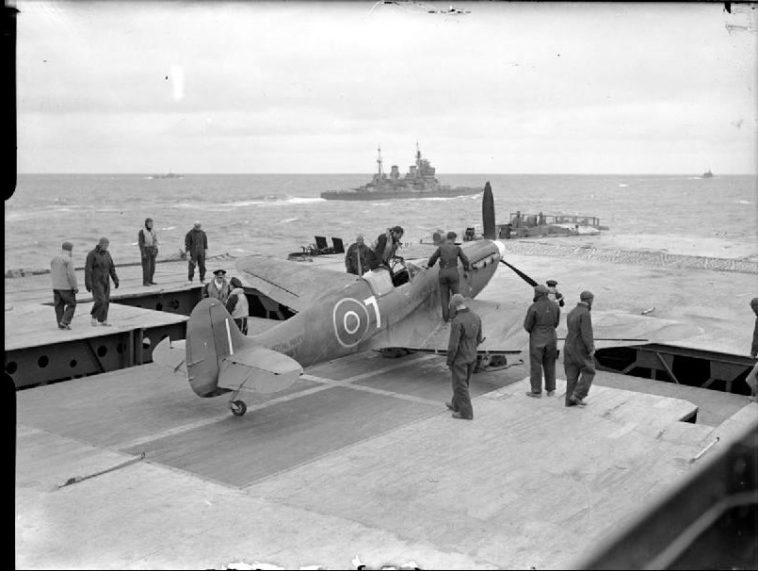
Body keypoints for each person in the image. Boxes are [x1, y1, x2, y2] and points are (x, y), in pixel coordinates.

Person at [445, 293, 483, 420]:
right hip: (472, 356)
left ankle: (466, 413)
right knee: (463, 382)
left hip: (460, 359)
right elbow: (478, 338)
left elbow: (453, 346)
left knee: (460, 385)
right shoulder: (476, 317)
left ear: (454, 305)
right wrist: (471, 349)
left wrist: (450, 361)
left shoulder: (457, 321)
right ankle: (456, 404)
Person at [524, 284, 560, 398]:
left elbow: (527, 325)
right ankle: (551, 390)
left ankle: (536, 391)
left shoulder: (533, 307)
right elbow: (556, 323)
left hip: (537, 337)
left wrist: (535, 331)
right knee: (550, 363)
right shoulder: (555, 306)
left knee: (536, 364)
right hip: (551, 336)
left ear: (537, 294)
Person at [427, 231, 471, 321]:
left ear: (447, 238)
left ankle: (445, 318)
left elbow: (433, 258)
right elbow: (465, 260)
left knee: (444, 296)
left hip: (442, 274)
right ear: (454, 238)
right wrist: (466, 270)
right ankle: (453, 316)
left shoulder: (441, 248)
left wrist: (429, 265)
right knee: (456, 296)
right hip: (453, 273)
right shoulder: (457, 248)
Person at [564, 290, 596, 407]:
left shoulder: (572, 312)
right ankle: (578, 395)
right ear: (590, 300)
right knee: (589, 371)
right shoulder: (585, 313)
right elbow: (586, 333)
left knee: (572, 374)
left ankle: (569, 401)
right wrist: (590, 347)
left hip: (568, 345)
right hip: (579, 347)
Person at [85, 237, 119, 327]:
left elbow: (112, 268)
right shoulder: (92, 254)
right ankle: (94, 316)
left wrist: (115, 279)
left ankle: (104, 320)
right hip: (96, 281)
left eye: (107, 244)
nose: (106, 246)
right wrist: (88, 283)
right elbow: (88, 270)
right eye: (104, 244)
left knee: (106, 301)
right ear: (100, 244)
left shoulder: (107, 254)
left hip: (106, 280)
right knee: (101, 300)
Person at [50, 241, 78, 330]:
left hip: (56, 286)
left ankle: (60, 324)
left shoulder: (54, 259)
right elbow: (71, 275)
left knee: (59, 306)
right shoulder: (68, 259)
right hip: (66, 287)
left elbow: (53, 272)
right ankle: (65, 321)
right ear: (70, 250)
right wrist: (75, 286)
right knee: (72, 304)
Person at [138, 217, 158, 286]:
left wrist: (155, 249)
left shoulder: (153, 231)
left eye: (152, 223)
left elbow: (155, 240)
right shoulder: (142, 232)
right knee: (146, 267)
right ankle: (145, 282)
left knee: (153, 267)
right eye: (150, 223)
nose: (151, 224)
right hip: (146, 249)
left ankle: (150, 280)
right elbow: (141, 243)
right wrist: (143, 252)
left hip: (152, 249)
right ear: (146, 224)